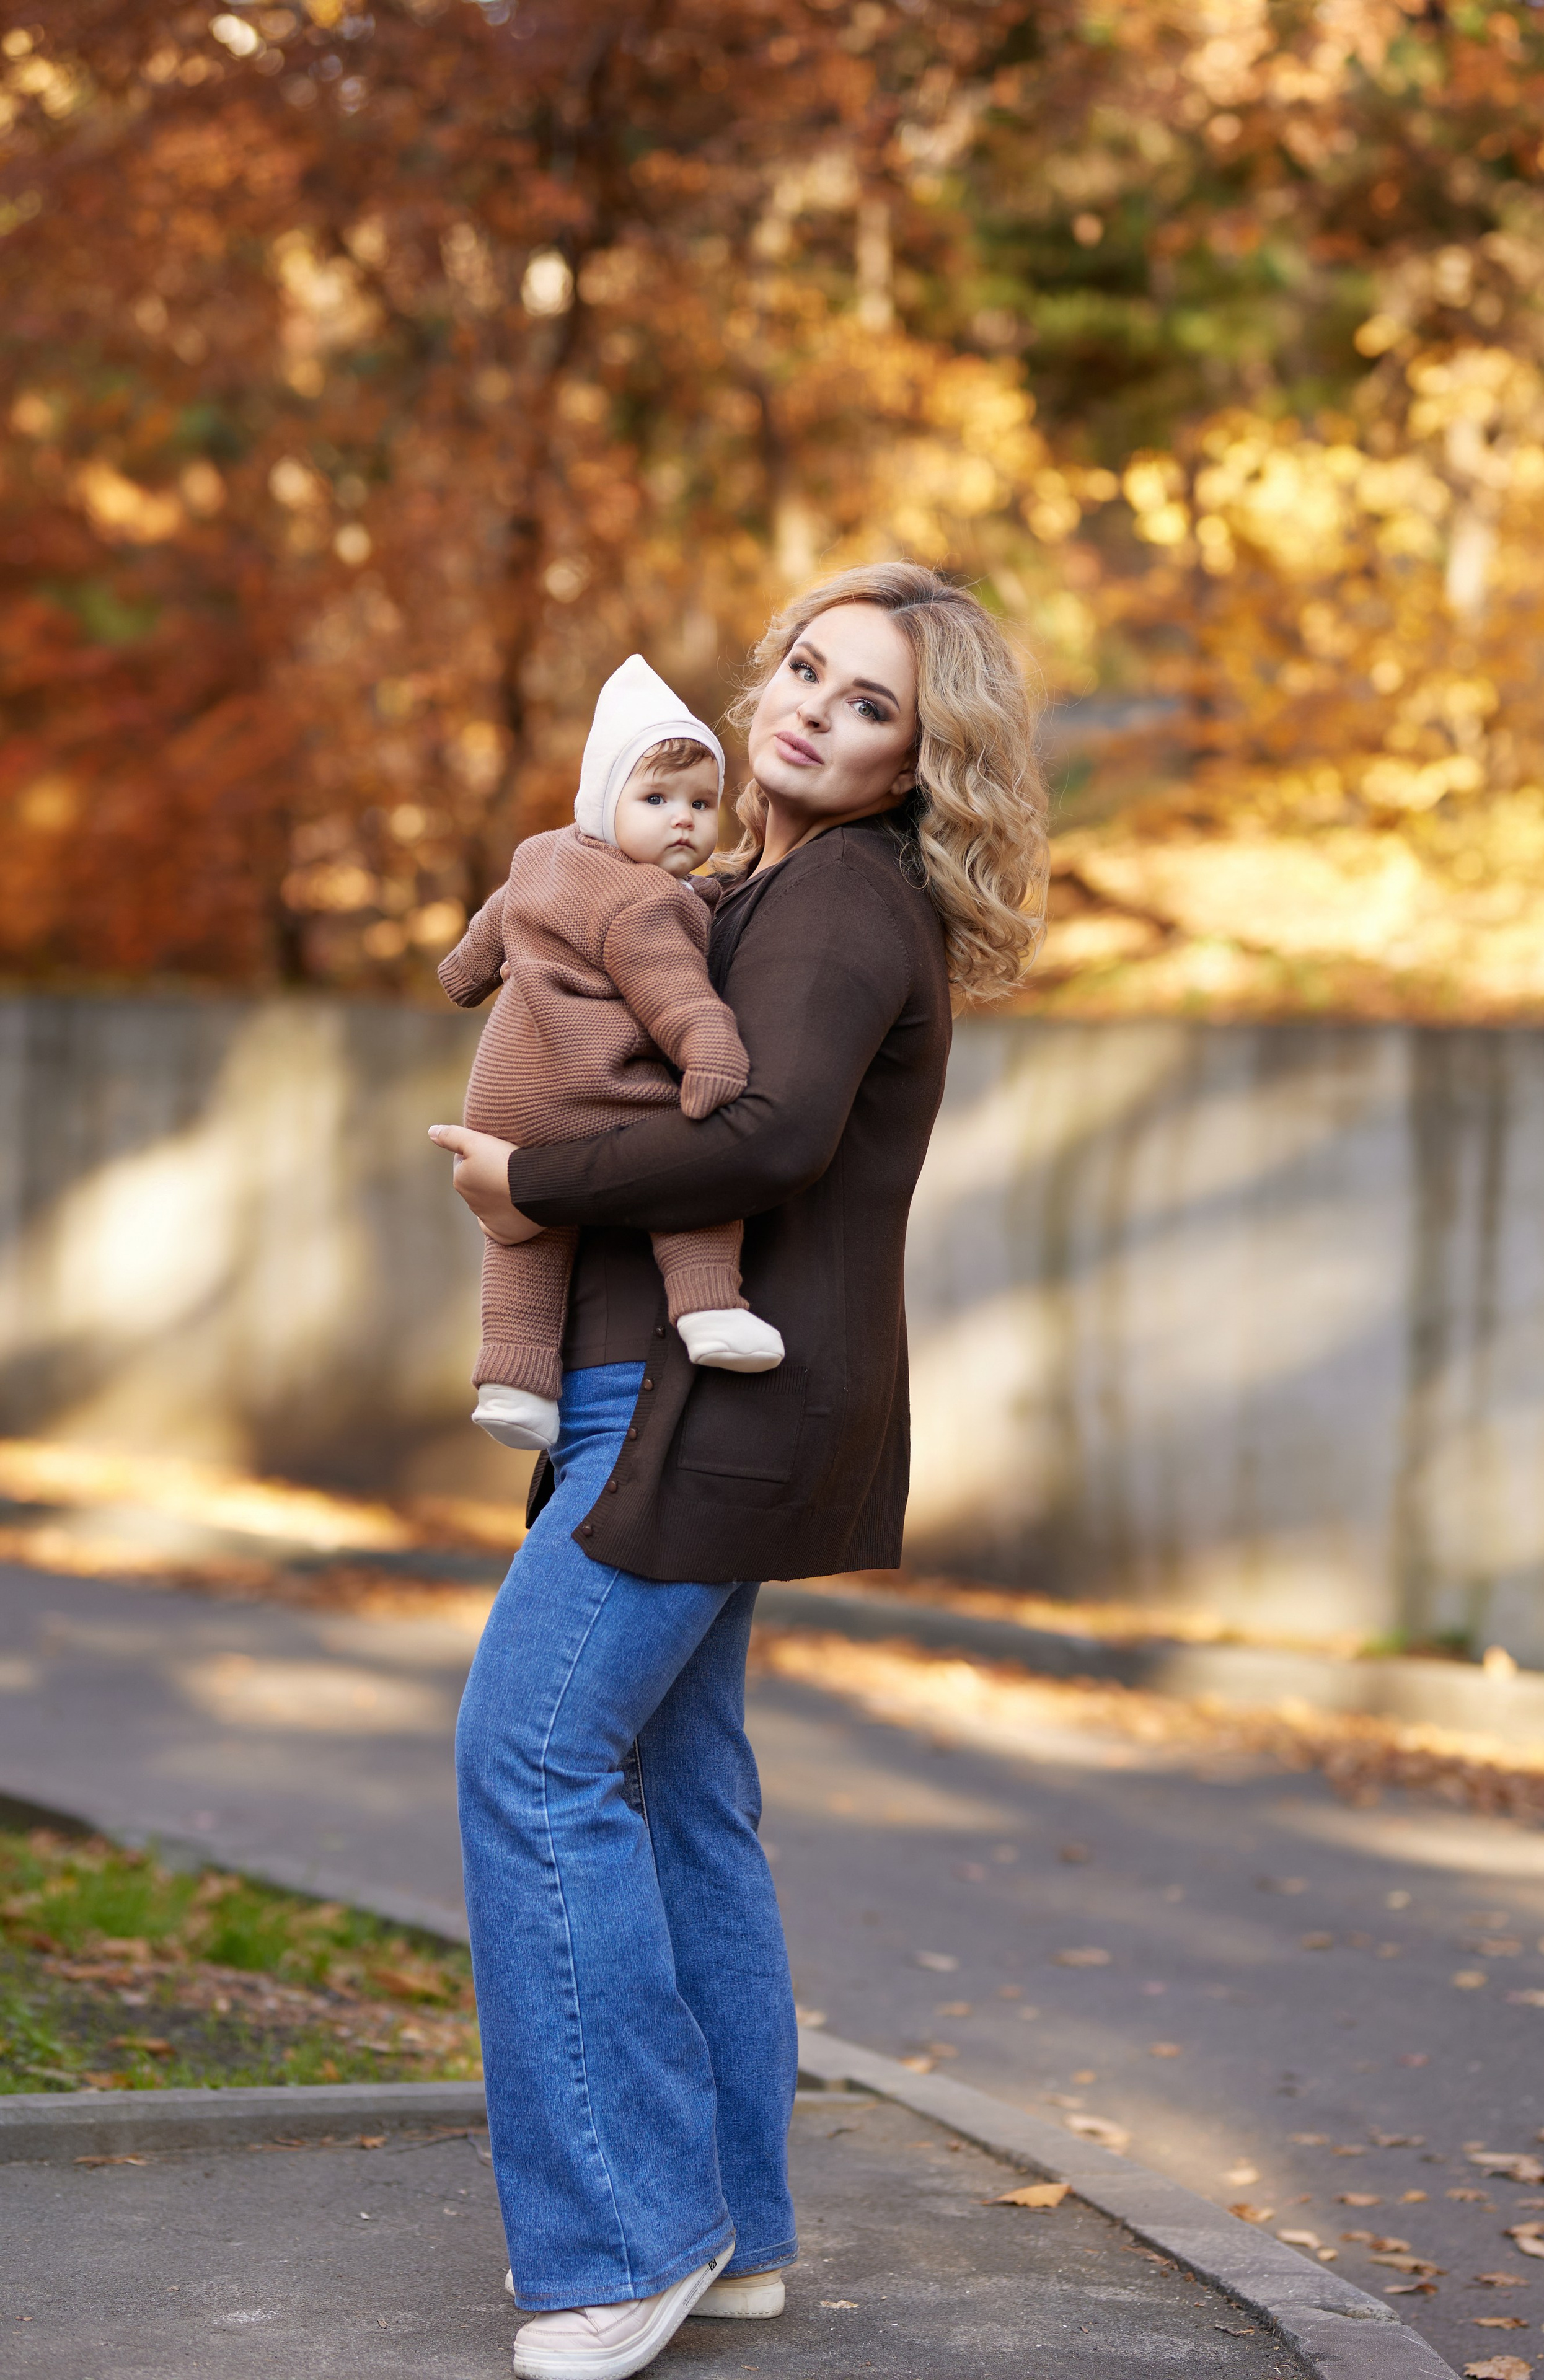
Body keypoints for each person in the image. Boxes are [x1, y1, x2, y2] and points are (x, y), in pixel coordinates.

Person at [428, 562, 1048, 2380]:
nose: (814, 713)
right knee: (679, 1790)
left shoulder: (845, 902)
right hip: (695, 1395)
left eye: (874, 709)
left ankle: (634, 2238)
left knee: (532, 1758)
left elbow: (766, 1133)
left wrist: (525, 1189)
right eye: (807, 670)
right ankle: (739, 2227)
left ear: (924, 769)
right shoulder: (756, 883)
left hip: (714, 1411)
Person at [437, 654, 784, 1460]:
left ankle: (513, 1383)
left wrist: (460, 977)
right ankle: (708, 1308)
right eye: (657, 799)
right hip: (594, 1092)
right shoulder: (645, 905)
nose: (685, 821)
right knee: (688, 1180)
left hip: (502, 1105)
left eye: (702, 803)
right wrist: (710, 1055)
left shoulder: (539, 856)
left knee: (524, 1240)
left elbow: (482, 942)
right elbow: (673, 995)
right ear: (604, 801)